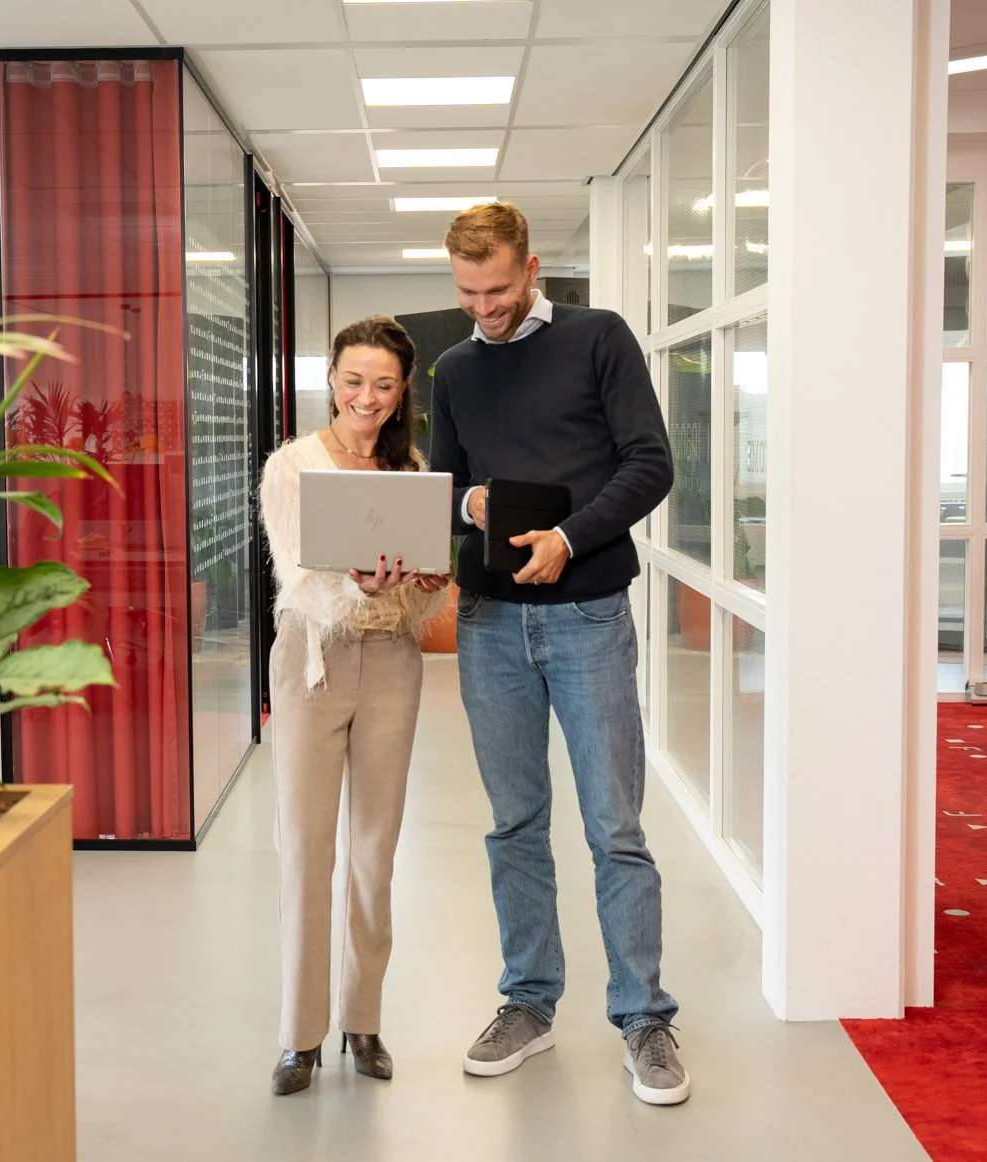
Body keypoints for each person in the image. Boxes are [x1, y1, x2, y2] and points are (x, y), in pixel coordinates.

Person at [427, 202, 689, 1105]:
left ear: (531, 268)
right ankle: (529, 1003)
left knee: (614, 826)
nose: (484, 308)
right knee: (514, 824)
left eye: (498, 290)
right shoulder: (455, 369)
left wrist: (569, 537)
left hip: (587, 615)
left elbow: (650, 463)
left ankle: (644, 1018)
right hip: (488, 623)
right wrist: (469, 505)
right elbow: (446, 483)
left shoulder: (599, 338)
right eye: (468, 294)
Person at [257, 315, 450, 1096]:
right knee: (306, 851)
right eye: (354, 380)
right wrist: (359, 586)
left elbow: (415, 602)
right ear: (332, 380)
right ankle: (299, 1036)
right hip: (313, 664)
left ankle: (362, 1021)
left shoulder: (412, 469)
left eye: (383, 384)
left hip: (393, 666)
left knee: (375, 851)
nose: (366, 396)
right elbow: (297, 576)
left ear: (401, 393)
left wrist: (424, 584)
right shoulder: (292, 466)